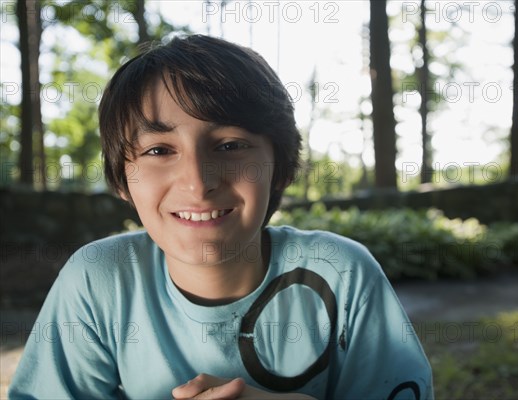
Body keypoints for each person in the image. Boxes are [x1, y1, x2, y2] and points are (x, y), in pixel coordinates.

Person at [8, 35, 433, 399]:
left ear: (279, 165)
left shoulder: (342, 273)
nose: (198, 181)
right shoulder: (98, 278)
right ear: (122, 179)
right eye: (159, 150)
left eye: (230, 145)